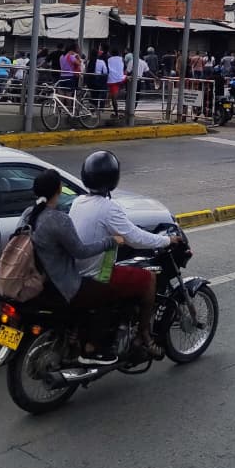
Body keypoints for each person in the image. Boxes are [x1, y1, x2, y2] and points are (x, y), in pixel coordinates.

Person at [69, 151, 183, 360]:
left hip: (76, 272)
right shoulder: (108, 207)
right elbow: (135, 238)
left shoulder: (78, 202)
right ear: (113, 178)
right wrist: (167, 240)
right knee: (148, 278)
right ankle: (144, 336)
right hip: (95, 276)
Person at [21, 169, 123, 365]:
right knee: (107, 295)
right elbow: (81, 251)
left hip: (37, 281)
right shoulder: (58, 219)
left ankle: (77, 336)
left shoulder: (29, 214)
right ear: (59, 189)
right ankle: (92, 349)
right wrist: (111, 241)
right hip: (61, 286)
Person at [106, 49, 126, 116]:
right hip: (121, 79)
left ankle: (116, 112)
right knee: (114, 97)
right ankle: (117, 112)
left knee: (113, 97)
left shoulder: (109, 60)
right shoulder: (122, 59)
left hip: (111, 80)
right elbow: (124, 68)